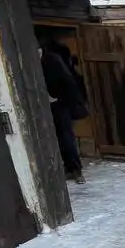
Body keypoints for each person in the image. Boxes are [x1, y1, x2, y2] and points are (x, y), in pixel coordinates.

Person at [40, 40, 85, 183]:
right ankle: (67, 168)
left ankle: (76, 170)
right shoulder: (39, 60)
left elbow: (67, 82)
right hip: (47, 105)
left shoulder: (52, 60)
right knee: (55, 138)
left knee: (66, 137)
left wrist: (56, 97)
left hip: (60, 104)